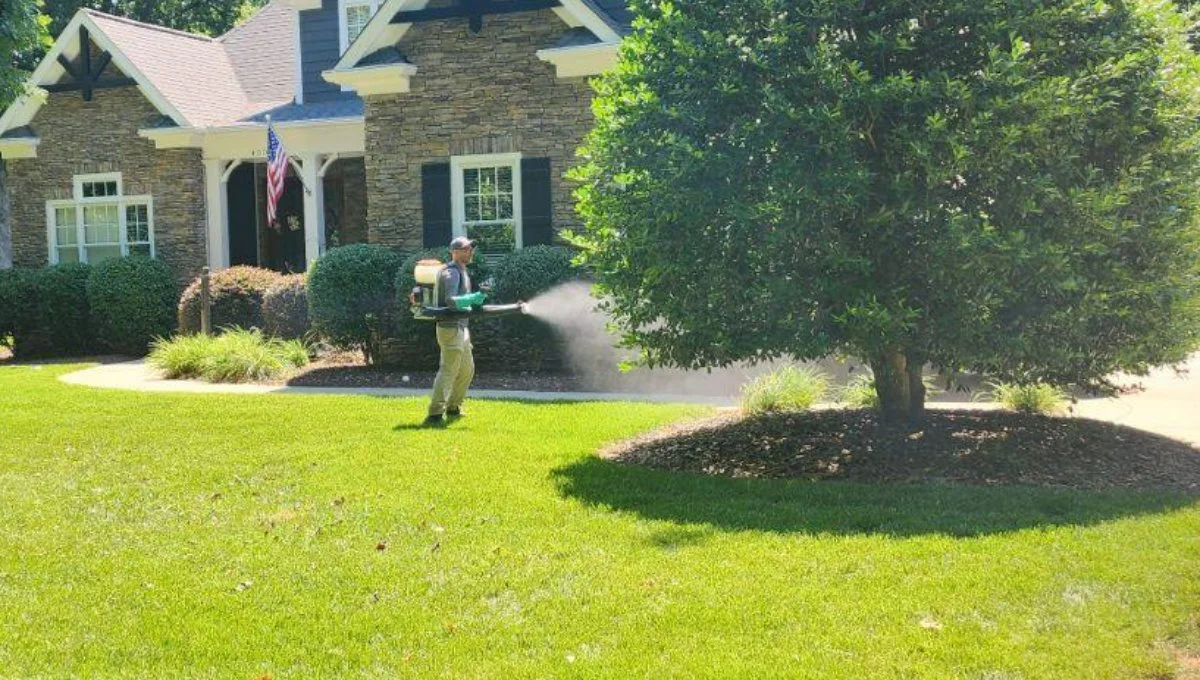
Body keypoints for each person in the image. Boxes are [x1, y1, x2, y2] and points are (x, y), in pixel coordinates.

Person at [424, 236, 480, 426]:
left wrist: (473, 299)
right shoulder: (451, 272)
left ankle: (454, 407)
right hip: (450, 328)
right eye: (465, 249)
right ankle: (435, 413)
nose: (470, 252)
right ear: (454, 252)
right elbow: (451, 300)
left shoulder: (462, 271)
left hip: (461, 327)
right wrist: (471, 299)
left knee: (467, 370)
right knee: (448, 370)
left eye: (470, 249)